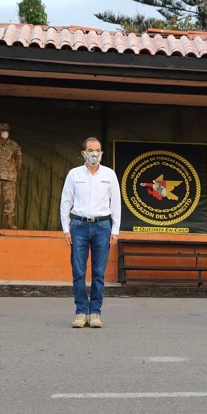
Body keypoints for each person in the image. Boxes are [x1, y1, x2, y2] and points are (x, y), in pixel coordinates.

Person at [60, 137, 121, 329]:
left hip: (102, 226)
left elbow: (116, 203)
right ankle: (80, 312)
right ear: (83, 153)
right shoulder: (74, 174)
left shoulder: (109, 174)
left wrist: (116, 230)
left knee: (98, 272)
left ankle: (95, 312)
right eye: (91, 150)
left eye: (98, 150)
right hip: (78, 225)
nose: (95, 153)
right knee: (78, 271)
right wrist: (66, 228)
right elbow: (65, 202)